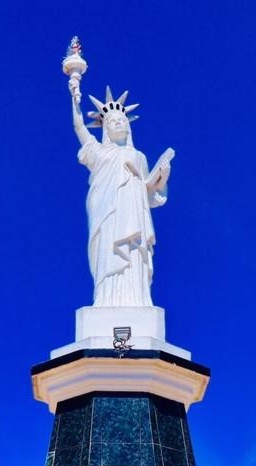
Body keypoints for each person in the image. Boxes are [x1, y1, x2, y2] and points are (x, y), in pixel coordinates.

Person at [70, 79, 174, 307]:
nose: (118, 124)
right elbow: (80, 128)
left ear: (128, 126)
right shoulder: (97, 152)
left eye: (121, 121)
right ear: (105, 128)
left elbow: (149, 193)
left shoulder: (139, 157)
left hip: (134, 213)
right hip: (106, 211)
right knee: (107, 251)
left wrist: (161, 178)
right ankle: (105, 299)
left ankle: (137, 299)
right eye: (113, 122)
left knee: (134, 252)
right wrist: (74, 96)